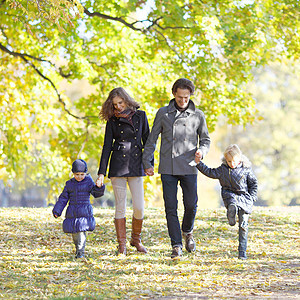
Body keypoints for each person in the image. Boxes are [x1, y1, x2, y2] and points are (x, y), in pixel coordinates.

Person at [142, 78, 211, 259]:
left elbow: (205, 140)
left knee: (191, 205)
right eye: (180, 97)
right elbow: (152, 140)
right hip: (168, 166)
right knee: (170, 207)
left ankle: (187, 231)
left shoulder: (198, 115)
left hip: (189, 165)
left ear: (190, 96)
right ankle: (176, 245)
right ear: (174, 94)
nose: (182, 101)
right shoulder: (163, 113)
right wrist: (147, 162)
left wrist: (201, 152)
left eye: (186, 98)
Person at [96, 87, 151, 255]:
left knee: (139, 207)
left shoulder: (141, 116)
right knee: (120, 206)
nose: (118, 107)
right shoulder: (112, 121)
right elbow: (106, 147)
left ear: (127, 100)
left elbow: (147, 142)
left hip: (136, 164)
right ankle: (122, 245)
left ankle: (136, 239)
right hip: (118, 166)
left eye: (120, 103)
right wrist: (101, 173)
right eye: (114, 104)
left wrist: (149, 164)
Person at [193, 144, 258, 259]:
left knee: (243, 225)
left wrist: (252, 197)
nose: (231, 164)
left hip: (244, 197)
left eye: (233, 161)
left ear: (239, 158)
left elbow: (253, 184)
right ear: (225, 160)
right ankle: (231, 213)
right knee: (232, 203)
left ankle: (242, 251)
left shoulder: (246, 170)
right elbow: (210, 172)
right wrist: (198, 163)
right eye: (228, 161)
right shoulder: (223, 170)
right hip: (229, 194)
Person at [52, 159, 105, 259]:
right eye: (77, 174)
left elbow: (96, 193)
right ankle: (78, 249)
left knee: (81, 231)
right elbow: (63, 198)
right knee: (75, 234)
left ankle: (81, 252)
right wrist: (57, 211)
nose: (79, 177)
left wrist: (99, 187)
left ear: (85, 173)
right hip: (72, 212)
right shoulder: (69, 184)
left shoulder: (88, 182)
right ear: (73, 173)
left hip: (84, 211)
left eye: (82, 174)